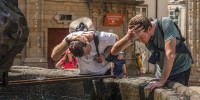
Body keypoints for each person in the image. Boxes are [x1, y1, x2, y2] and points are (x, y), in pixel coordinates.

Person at [111, 14, 193, 91]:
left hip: (180, 68)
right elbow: (114, 52)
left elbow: (170, 54)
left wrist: (161, 81)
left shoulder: (166, 24)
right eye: (137, 38)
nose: (139, 41)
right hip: (161, 71)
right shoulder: (140, 32)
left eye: (141, 37)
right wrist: (128, 38)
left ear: (149, 29)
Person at [51, 17, 118, 99]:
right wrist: (68, 40)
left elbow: (116, 38)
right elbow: (54, 56)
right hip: (85, 76)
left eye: (88, 50)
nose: (89, 53)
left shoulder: (101, 36)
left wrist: (105, 54)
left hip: (103, 74)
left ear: (86, 41)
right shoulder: (71, 38)